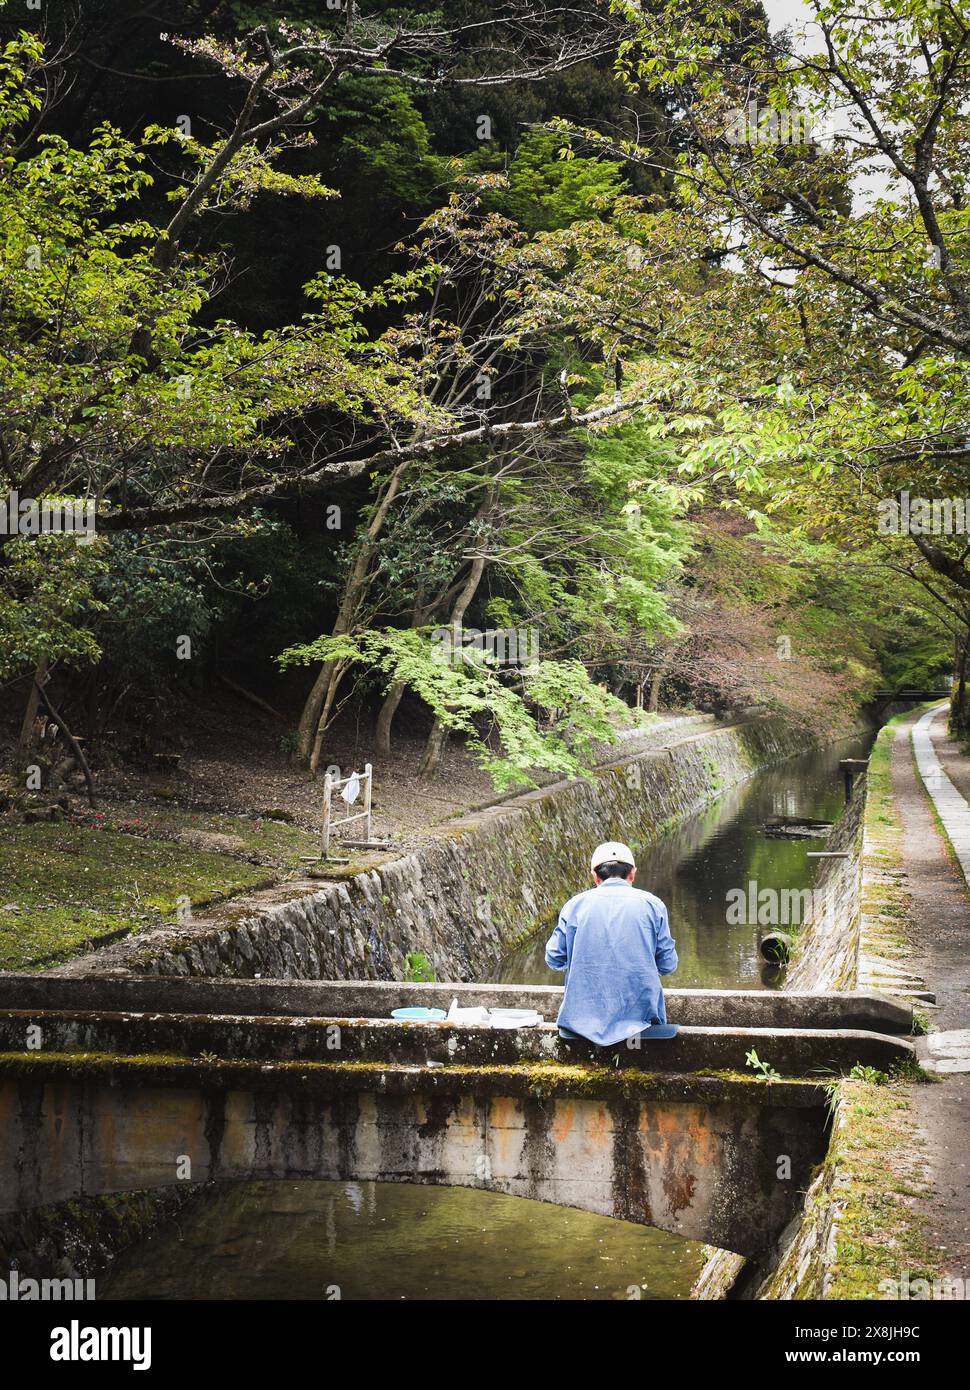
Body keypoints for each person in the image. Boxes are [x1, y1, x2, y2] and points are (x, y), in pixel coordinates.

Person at [544, 840, 679, 1046]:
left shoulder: (574, 906)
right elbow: (668, 965)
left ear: (595, 876)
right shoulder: (653, 905)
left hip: (580, 1027)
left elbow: (553, 958)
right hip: (642, 1026)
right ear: (632, 873)